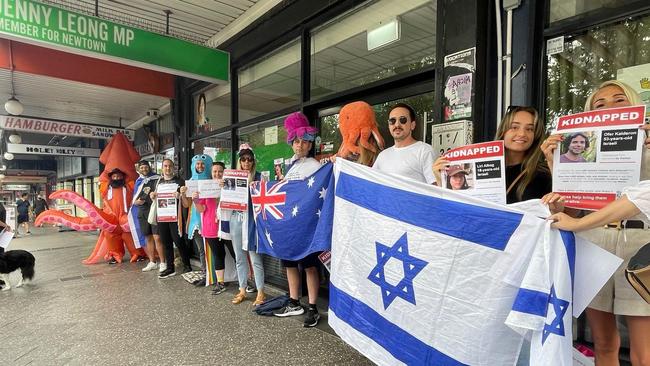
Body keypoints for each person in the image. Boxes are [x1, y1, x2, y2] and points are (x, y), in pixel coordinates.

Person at [542, 80, 650, 366]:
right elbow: (574, 212)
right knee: (602, 342)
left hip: (641, 247)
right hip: (594, 241)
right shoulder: (582, 153)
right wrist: (556, 166)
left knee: (645, 353)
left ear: (634, 105)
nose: (610, 108)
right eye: (600, 105)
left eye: (619, 100)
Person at [272, 112, 323, 327]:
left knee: (310, 267)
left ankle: (312, 306)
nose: (299, 145)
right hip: (290, 228)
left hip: (307, 227)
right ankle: (294, 301)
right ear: (291, 143)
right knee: (291, 265)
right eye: (296, 141)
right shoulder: (291, 166)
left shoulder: (315, 166)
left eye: (303, 141)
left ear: (310, 144)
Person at [220, 144, 266, 305]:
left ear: (253, 162)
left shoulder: (259, 177)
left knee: (255, 257)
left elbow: (264, 199)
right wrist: (223, 188)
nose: (247, 162)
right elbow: (227, 201)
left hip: (252, 221)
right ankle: (242, 289)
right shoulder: (232, 177)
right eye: (244, 159)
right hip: (236, 219)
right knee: (239, 257)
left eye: (250, 160)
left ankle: (261, 291)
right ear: (240, 161)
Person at [192, 162, 236, 295]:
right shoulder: (206, 188)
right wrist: (196, 200)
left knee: (236, 254)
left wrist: (226, 188)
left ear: (224, 172)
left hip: (228, 226)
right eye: (214, 172)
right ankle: (220, 283)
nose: (217, 174)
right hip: (211, 228)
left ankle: (246, 281)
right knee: (218, 255)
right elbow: (202, 209)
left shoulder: (230, 185)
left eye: (220, 171)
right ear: (211, 173)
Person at [372, 103, 436, 184]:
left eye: (403, 120)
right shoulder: (382, 155)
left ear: (412, 125)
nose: (397, 124)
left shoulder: (425, 150)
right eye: (392, 121)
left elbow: (436, 187)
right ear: (389, 126)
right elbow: (372, 184)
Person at [151, 159, 191, 279]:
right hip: (162, 217)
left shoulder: (180, 181)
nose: (167, 168)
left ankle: (187, 265)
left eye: (170, 166)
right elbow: (154, 196)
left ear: (173, 167)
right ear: (162, 168)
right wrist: (152, 196)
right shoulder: (158, 182)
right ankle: (170, 268)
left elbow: (185, 199)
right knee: (166, 242)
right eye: (165, 166)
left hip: (175, 216)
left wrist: (180, 195)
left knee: (179, 241)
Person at [180, 154, 213, 286]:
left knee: (212, 249)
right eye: (197, 164)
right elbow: (186, 204)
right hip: (196, 220)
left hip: (210, 219)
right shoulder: (190, 182)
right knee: (201, 250)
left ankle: (216, 274)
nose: (200, 166)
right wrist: (183, 194)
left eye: (202, 163)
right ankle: (206, 274)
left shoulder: (213, 180)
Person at [132, 161, 164, 273]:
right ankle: (152, 262)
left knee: (158, 237)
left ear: (149, 167)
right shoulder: (138, 181)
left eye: (146, 167)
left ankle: (163, 262)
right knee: (148, 237)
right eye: (142, 167)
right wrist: (136, 202)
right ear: (139, 169)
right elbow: (134, 197)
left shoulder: (158, 178)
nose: (144, 169)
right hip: (143, 211)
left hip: (155, 211)